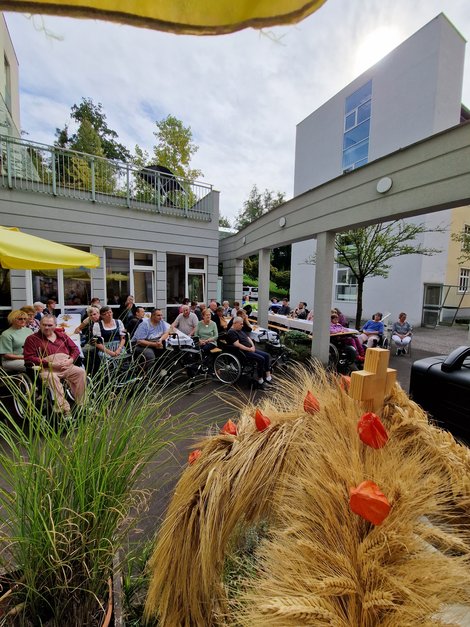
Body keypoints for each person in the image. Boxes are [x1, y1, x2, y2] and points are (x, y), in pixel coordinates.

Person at [23, 314, 86, 415]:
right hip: (47, 369)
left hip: (66, 366)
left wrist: (71, 359)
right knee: (52, 378)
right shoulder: (32, 339)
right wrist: (49, 363)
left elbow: (75, 349)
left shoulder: (62, 336)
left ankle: (82, 404)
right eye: (44, 325)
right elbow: (29, 358)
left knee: (80, 372)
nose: (47, 327)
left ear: (55, 325)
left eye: (50, 325)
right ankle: (64, 409)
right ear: (40, 325)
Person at [226, 316, 272, 388]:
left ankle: (268, 375)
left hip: (250, 348)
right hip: (243, 352)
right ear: (235, 323)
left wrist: (253, 346)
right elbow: (237, 344)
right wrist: (249, 349)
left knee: (266, 355)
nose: (242, 325)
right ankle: (260, 378)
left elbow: (248, 338)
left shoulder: (239, 330)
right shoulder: (231, 332)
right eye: (241, 324)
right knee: (261, 359)